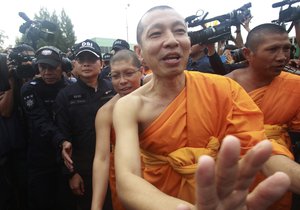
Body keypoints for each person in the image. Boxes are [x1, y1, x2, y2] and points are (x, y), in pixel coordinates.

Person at [112, 5, 291, 210]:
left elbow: (256, 147)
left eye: (180, 31)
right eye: (156, 33)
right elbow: (127, 181)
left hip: (216, 193)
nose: (172, 40)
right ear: (139, 51)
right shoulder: (129, 106)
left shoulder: (223, 88)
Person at [226, 23, 300, 210]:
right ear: (247, 54)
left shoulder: (295, 85)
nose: (282, 57)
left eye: (287, 49)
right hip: (234, 167)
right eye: (273, 50)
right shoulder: (226, 86)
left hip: (282, 167)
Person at [54, 39, 115, 210]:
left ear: (101, 63)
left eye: (92, 59)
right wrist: (71, 174)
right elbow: (63, 138)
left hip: (115, 167)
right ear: (74, 64)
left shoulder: (113, 90)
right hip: (84, 170)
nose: (86, 64)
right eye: (82, 60)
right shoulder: (65, 96)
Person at [20, 46, 72, 210]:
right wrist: (61, 141)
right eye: (43, 67)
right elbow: (40, 121)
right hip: (40, 157)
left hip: (67, 157)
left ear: (62, 66)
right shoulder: (30, 88)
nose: (47, 72)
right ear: (37, 68)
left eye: (52, 67)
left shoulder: (71, 87)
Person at [91, 49, 143, 210]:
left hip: (163, 174)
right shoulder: (106, 113)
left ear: (141, 72)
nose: (122, 81)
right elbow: (102, 159)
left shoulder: (157, 96)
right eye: (115, 76)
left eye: (128, 73)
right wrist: (96, 206)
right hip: (124, 178)